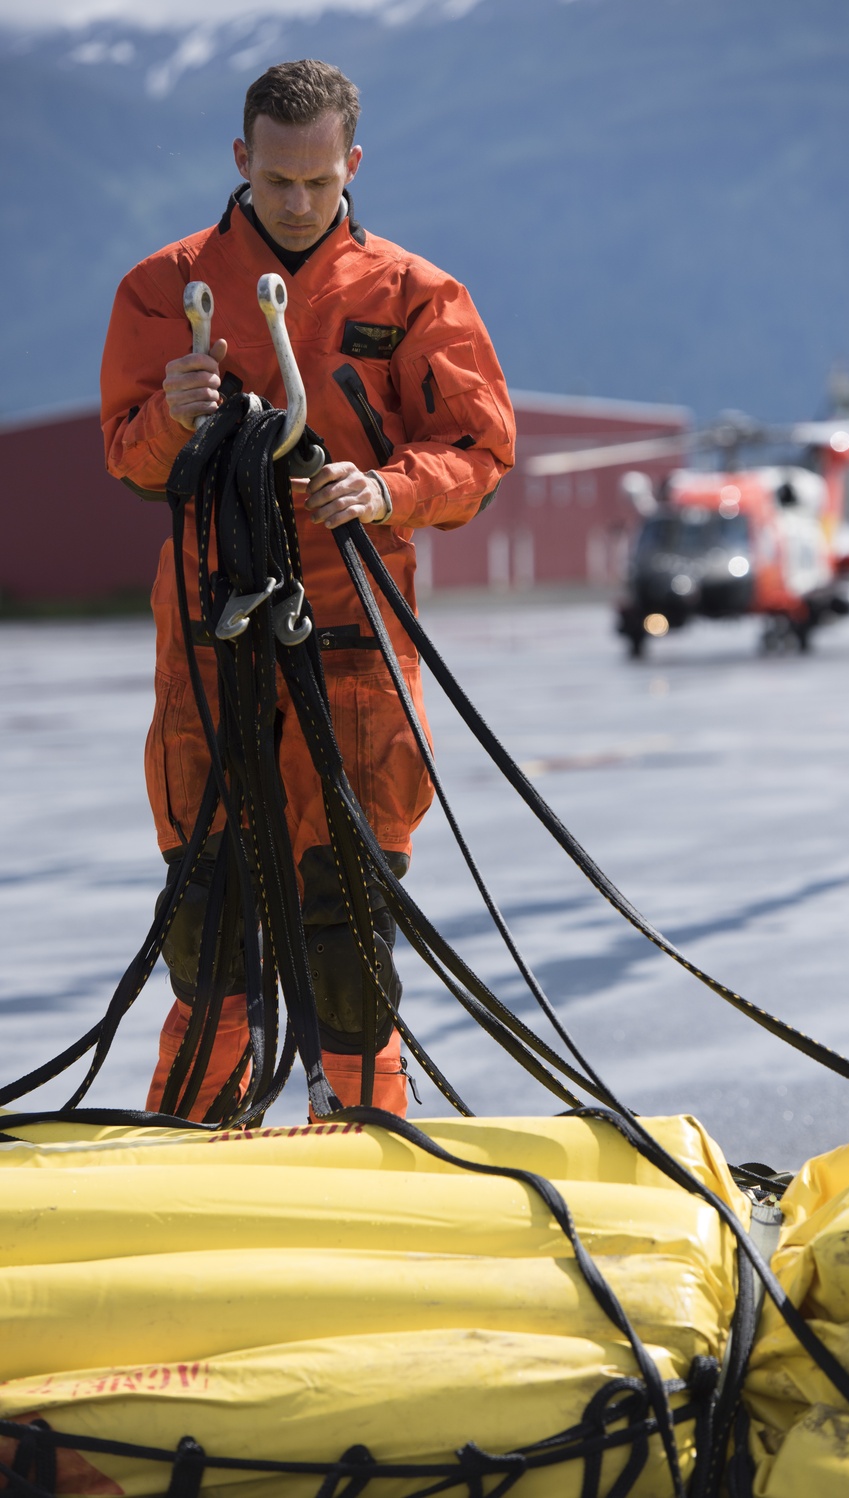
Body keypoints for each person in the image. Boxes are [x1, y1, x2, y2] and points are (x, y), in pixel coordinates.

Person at [100, 59, 515, 1121]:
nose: (295, 201)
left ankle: (365, 1120)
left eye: (316, 183)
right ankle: (196, 1117)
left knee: (346, 899)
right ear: (241, 160)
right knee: (209, 893)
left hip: (355, 636)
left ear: (352, 168)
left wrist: (384, 488)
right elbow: (130, 462)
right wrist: (173, 418)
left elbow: (478, 450)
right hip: (208, 630)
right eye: (277, 179)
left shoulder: (416, 296)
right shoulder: (164, 290)